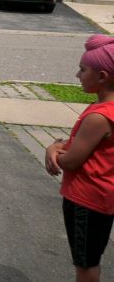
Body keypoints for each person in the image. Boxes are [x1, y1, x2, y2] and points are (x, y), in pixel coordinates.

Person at [45, 34, 114, 282]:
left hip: (87, 199)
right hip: (102, 197)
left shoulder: (99, 116)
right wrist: (58, 146)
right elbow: (79, 145)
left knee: (85, 264)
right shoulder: (105, 109)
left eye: (82, 69)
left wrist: (51, 149)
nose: (77, 75)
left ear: (102, 76)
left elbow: (71, 160)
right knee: (89, 257)